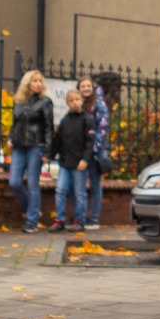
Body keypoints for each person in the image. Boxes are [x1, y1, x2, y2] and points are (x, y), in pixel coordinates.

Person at [7, 71, 55, 233]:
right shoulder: (19, 102)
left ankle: (32, 221)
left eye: (40, 81)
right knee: (14, 182)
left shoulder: (45, 103)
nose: (38, 84)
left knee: (33, 183)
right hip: (19, 146)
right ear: (27, 83)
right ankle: (33, 209)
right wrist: (10, 137)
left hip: (36, 146)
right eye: (35, 81)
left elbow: (49, 128)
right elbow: (14, 124)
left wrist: (48, 152)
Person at [52, 88, 93, 233]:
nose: (74, 103)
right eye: (71, 100)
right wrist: (48, 155)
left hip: (79, 164)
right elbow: (58, 140)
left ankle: (79, 220)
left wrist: (85, 160)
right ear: (67, 103)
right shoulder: (65, 120)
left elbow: (90, 142)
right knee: (60, 190)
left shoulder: (87, 119)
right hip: (64, 162)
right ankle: (60, 220)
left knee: (79, 193)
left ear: (81, 101)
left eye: (77, 100)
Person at [75, 75, 112, 230]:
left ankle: (94, 219)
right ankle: (80, 218)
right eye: (82, 86)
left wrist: (92, 149)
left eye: (88, 86)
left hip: (95, 152)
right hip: (81, 152)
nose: (85, 89)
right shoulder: (78, 104)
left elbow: (102, 129)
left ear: (93, 88)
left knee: (95, 185)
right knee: (79, 186)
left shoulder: (99, 105)